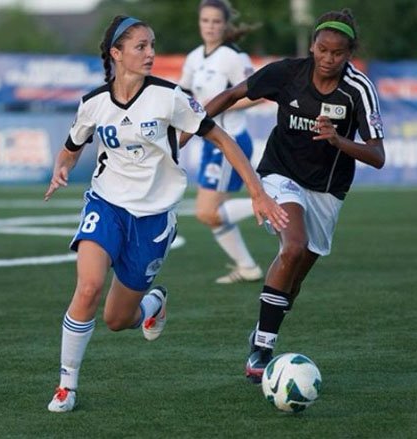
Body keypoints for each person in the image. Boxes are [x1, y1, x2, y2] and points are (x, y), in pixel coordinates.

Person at [44, 15, 288, 412]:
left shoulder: (169, 97)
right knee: (87, 287)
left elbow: (221, 138)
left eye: (152, 45)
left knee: (117, 320)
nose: (151, 53)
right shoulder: (93, 103)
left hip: (154, 218)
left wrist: (257, 192)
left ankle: (152, 303)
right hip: (106, 204)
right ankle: (66, 386)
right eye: (141, 46)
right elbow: (72, 145)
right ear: (116, 54)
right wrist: (63, 167)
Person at [200, 8, 386, 383]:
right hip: (279, 175)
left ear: (349, 54)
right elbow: (235, 93)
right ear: (314, 45)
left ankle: (262, 331)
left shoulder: (359, 90)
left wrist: (338, 139)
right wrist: (193, 125)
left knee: (295, 278)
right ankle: (262, 350)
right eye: (322, 49)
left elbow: (377, 156)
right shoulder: (288, 72)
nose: (328, 58)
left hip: (327, 190)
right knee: (293, 247)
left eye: (337, 53)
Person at [179, 0, 264, 284]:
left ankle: (272, 202)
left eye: (216, 21)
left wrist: (219, 105)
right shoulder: (194, 57)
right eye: (205, 21)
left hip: (230, 142)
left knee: (207, 212)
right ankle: (248, 267)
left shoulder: (233, 57)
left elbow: (257, 95)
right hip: (208, 143)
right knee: (209, 214)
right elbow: (185, 94)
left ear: (225, 25)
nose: (210, 27)